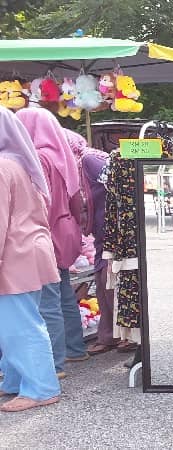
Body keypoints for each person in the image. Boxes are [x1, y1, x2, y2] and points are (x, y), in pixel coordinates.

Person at [15, 108, 86, 378]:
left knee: (48, 298)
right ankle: (75, 349)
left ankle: (55, 363)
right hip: (65, 229)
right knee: (64, 293)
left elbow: (39, 202)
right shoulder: (61, 155)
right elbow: (76, 199)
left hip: (47, 231)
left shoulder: (38, 158)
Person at [0, 106, 61, 412]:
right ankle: (15, 381)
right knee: (16, 322)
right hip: (28, 252)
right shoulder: (19, 163)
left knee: (19, 326)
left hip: (15, 256)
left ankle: (40, 388)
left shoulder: (2, 166)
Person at [64, 130, 119, 354]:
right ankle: (110, 335)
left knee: (111, 280)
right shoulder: (78, 162)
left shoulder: (89, 160)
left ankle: (124, 335)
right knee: (102, 279)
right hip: (101, 231)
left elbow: (118, 188)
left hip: (114, 229)